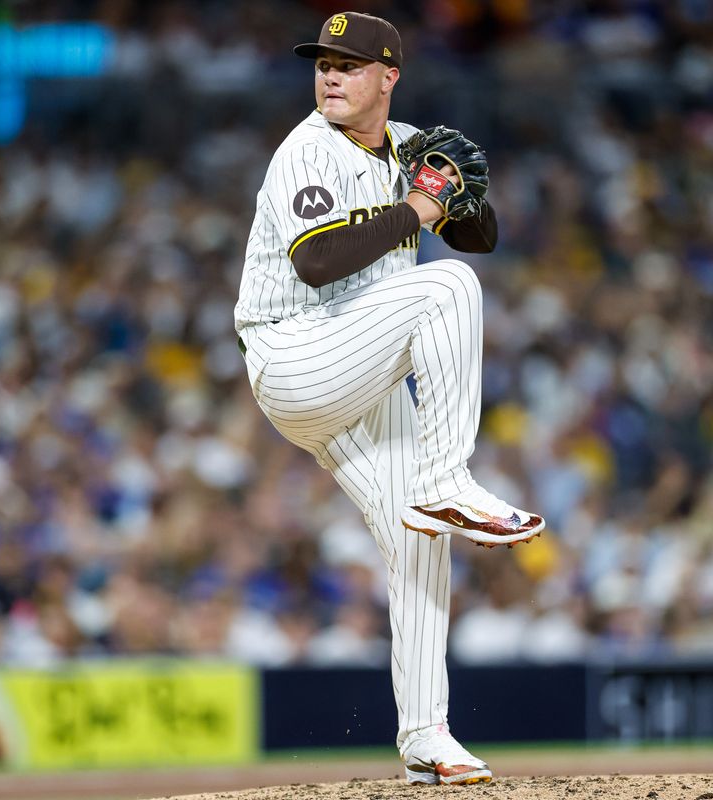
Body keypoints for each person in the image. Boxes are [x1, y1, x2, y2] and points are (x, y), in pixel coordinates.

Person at [234, 11, 545, 786]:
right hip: (296, 352)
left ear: (388, 76)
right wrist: (422, 209)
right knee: (445, 285)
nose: (330, 75)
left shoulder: (408, 144)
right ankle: (448, 477)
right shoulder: (306, 148)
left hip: (361, 365)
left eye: (347, 63)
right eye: (321, 63)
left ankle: (426, 738)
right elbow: (318, 262)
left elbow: (481, 236)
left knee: (418, 541)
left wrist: (460, 197)